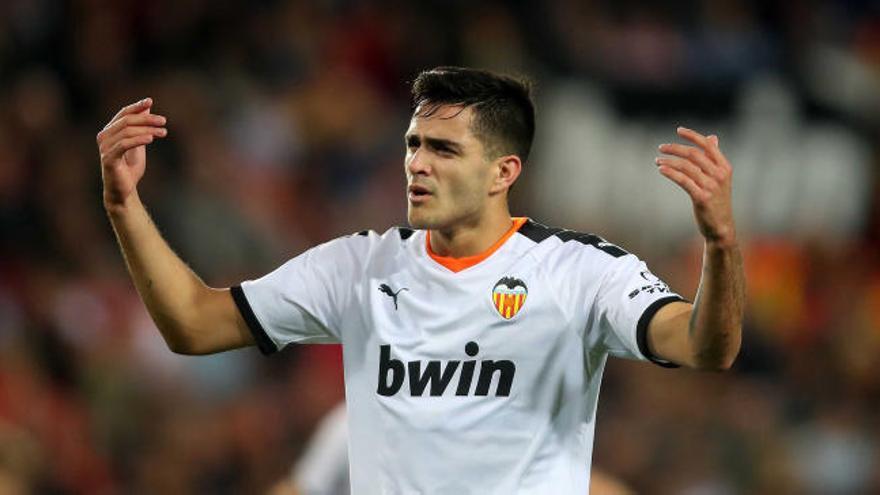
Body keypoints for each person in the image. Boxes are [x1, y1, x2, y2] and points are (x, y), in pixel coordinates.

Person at [96, 67, 744, 493]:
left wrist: (720, 245)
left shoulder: (579, 271)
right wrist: (125, 206)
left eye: (444, 149)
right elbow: (194, 321)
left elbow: (704, 344)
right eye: (413, 143)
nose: (417, 164)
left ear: (503, 171)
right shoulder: (358, 267)